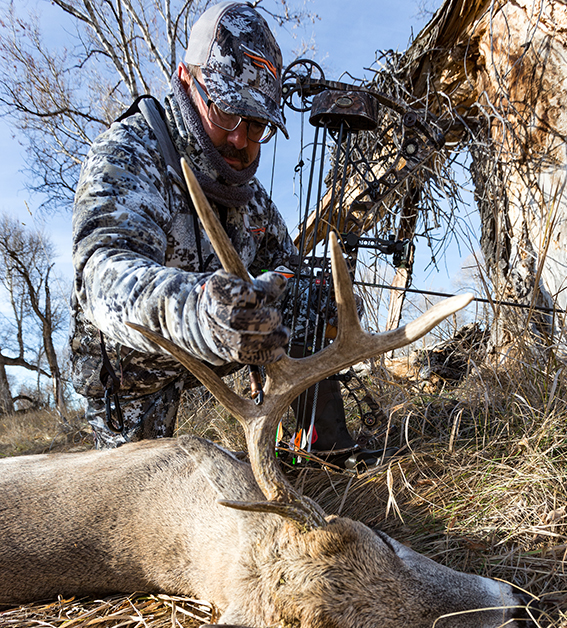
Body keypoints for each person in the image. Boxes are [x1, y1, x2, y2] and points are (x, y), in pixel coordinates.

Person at [70, 0, 358, 454]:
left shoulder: (250, 196)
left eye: (257, 123)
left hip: (220, 349)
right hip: (135, 372)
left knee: (309, 297)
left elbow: (288, 266)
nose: (240, 139)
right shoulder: (127, 155)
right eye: (226, 113)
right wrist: (202, 310)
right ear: (187, 79)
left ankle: (320, 450)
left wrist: (307, 295)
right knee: (145, 504)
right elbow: (101, 275)